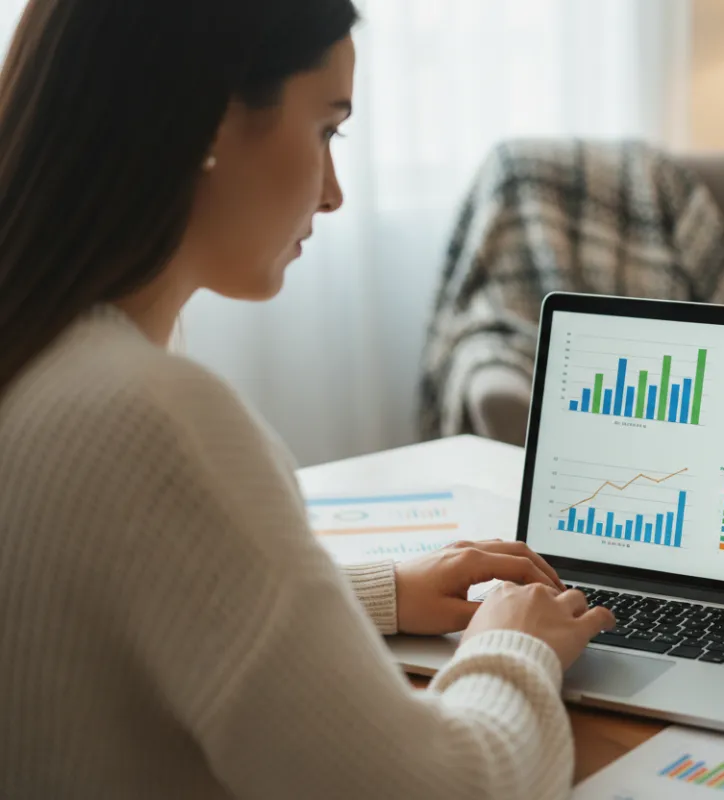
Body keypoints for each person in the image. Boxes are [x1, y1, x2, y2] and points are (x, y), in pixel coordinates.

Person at [0, 1, 616, 798]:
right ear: (215, 121)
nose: (333, 196)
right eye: (328, 129)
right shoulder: (153, 416)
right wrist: (514, 644)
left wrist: (376, 593)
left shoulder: (39, 356)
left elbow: (110, 617)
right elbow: (441, 789)